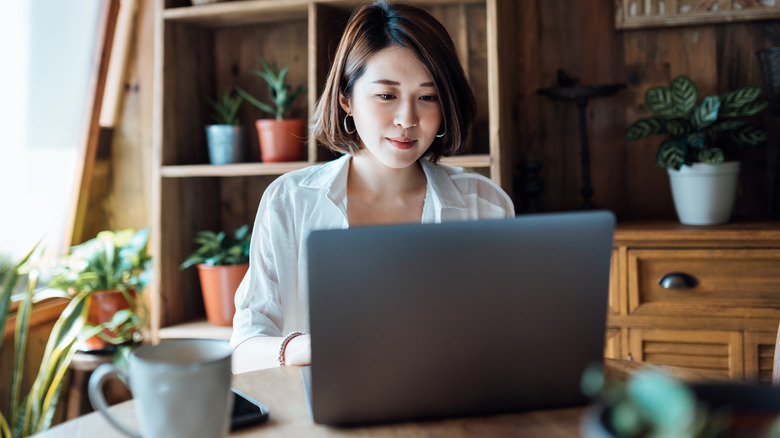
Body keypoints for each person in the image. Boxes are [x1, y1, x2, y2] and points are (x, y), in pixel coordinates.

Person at [230, 0, 514, 374]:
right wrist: (309, 346)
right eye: (386, 95)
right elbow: (244, 347)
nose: (407, 119)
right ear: (346, 98)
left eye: (428, 97)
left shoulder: (485, 204)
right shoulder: (290, 200)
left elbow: (508, 336)